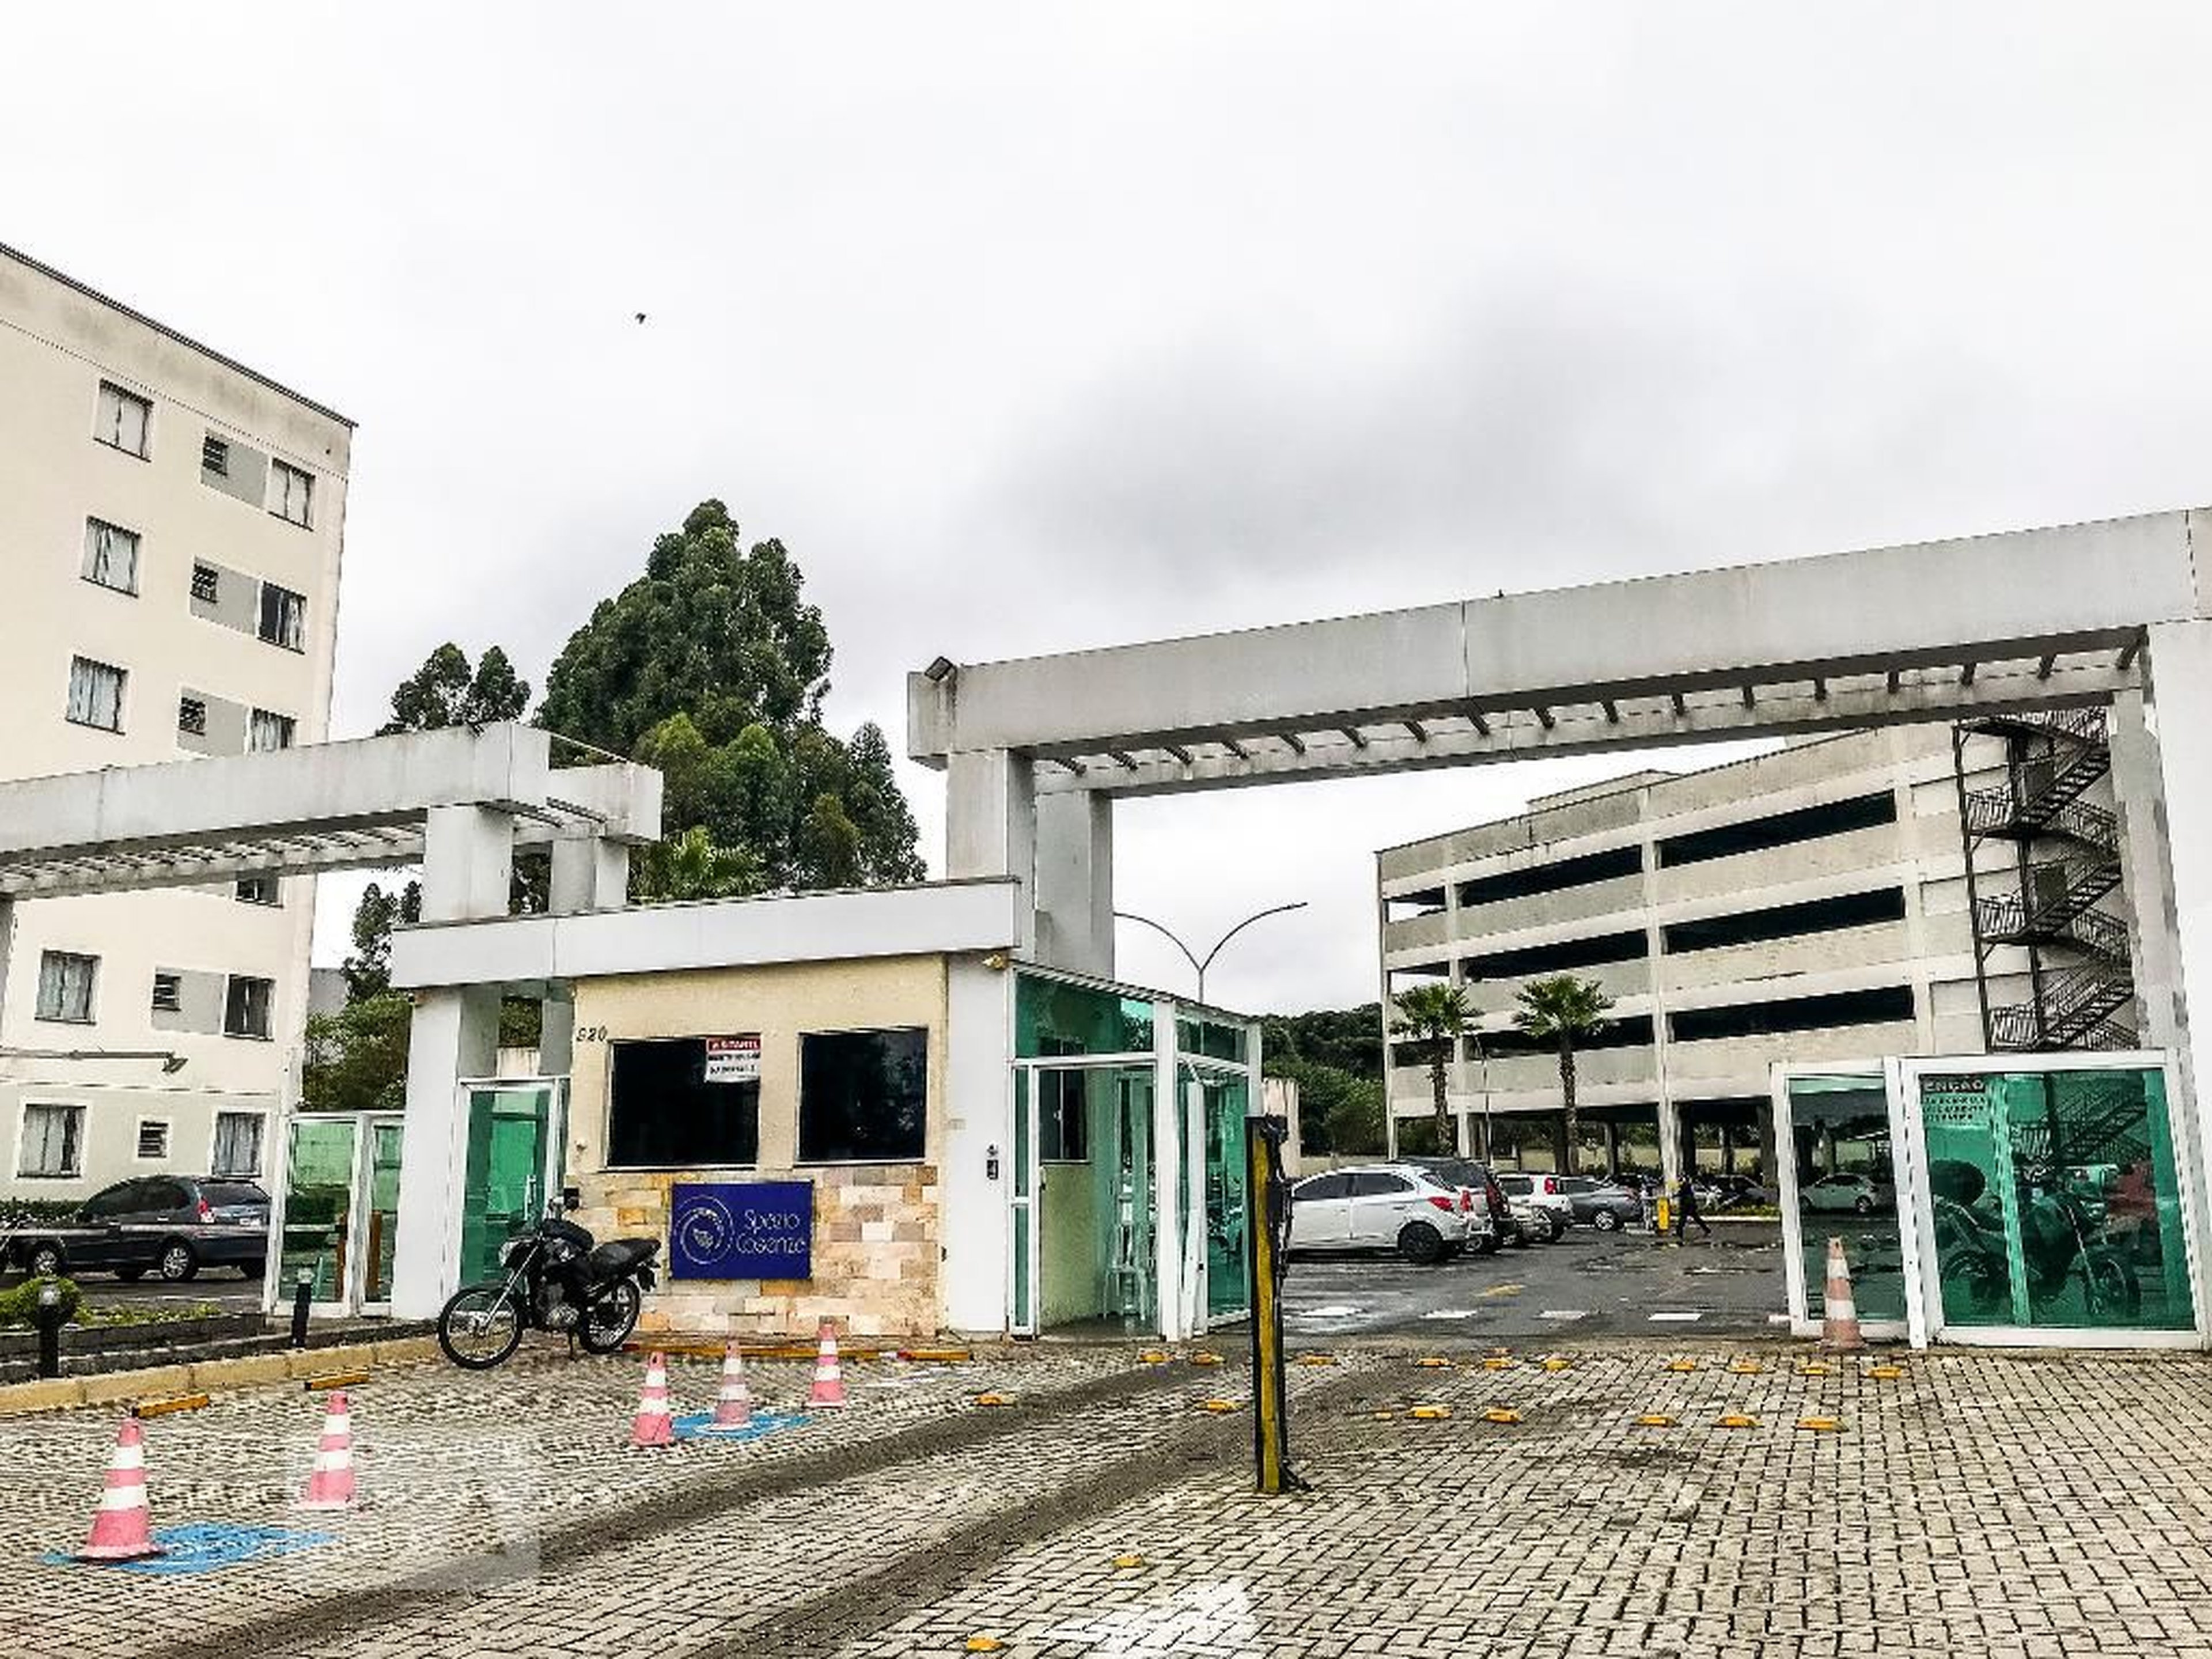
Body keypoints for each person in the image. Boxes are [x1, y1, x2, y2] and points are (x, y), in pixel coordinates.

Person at [1674, 1175, 1713, 1241]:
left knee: (1682, 1220)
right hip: (1690, 1206)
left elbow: (1682, 1194)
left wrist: (1675, 1196)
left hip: (1687, 1206)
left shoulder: (1685, 1187)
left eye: (1679, 1182)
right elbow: (1682, 1194)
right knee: (1697, 1219)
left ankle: (1679, 1233)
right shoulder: (1686, 1186)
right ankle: (1707, 1230)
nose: (1678, 1183)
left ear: (1682, 1182)